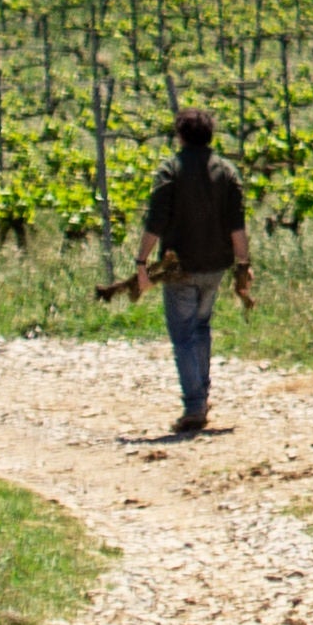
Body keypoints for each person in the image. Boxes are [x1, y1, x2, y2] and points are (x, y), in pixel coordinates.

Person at [113, 108, 259, 436]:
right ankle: (201, 396)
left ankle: (194, 405)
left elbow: (155, 221)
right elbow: (237, 226)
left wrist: (141, 262)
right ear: (210, 135)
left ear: (180, 136)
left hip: (180, 268)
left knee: (183, 334)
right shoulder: (226, 172)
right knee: (202, 328)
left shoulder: (171, 171)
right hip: (216, 266)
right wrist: (243, 266)